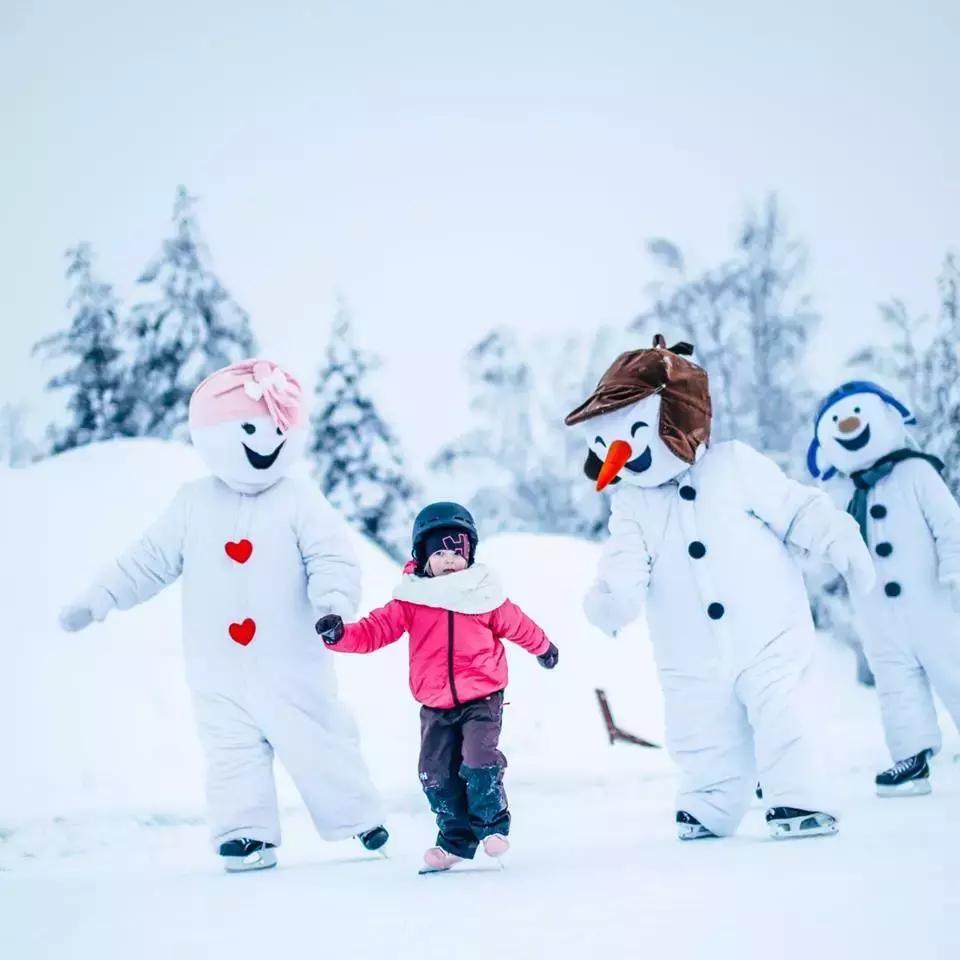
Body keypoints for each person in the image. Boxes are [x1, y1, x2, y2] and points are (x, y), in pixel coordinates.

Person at [59, 359, 387, 871]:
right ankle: (245, 835)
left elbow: (332, 556)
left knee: (319, 740)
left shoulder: (299, 498)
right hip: (217, 672)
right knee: (232, 755)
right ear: (209, 433)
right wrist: (99, 598)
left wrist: (332, 603)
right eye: (250, 428)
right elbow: (147, 561)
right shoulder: (192, 504)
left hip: (292, 665)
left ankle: (357, 817)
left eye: (278, 428)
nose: (265, 440)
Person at [565, 336, 876, 840]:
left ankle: (798, 796)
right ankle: (711, 799)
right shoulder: (632, 504)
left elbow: (796, 509)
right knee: (697, 724)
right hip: (690, 652)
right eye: (602, 445)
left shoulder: (735, 466)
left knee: (781, 709)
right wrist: (613, 599)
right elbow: (625, 559)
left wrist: (839, 539)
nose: (615, 456)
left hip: (767, 632)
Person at [317, 501, 558, 871]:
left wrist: (543, 648)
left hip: (483, 696)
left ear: (470, 554)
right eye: (440, 552)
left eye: (456, 552)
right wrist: (340, 635)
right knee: (434, 773)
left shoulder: (484, 594)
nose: (449, 560)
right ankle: (455, 842)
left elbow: (519, 625)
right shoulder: (412, 599)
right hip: (434, 703)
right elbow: (374, 631)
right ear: (423, 555)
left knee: (478, 759)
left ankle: (492, 827)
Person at [808, 381, 960, 796]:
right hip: (876, 616)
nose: (849, 425)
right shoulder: (839, 493)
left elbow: (950, 524)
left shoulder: (916, 472)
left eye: (857, 413)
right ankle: (911, 758)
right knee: (896, 686)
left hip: (933, 603)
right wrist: (816, 577)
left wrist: (954, 568)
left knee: (954, 670)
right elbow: (828, 548)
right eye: (836, 421)